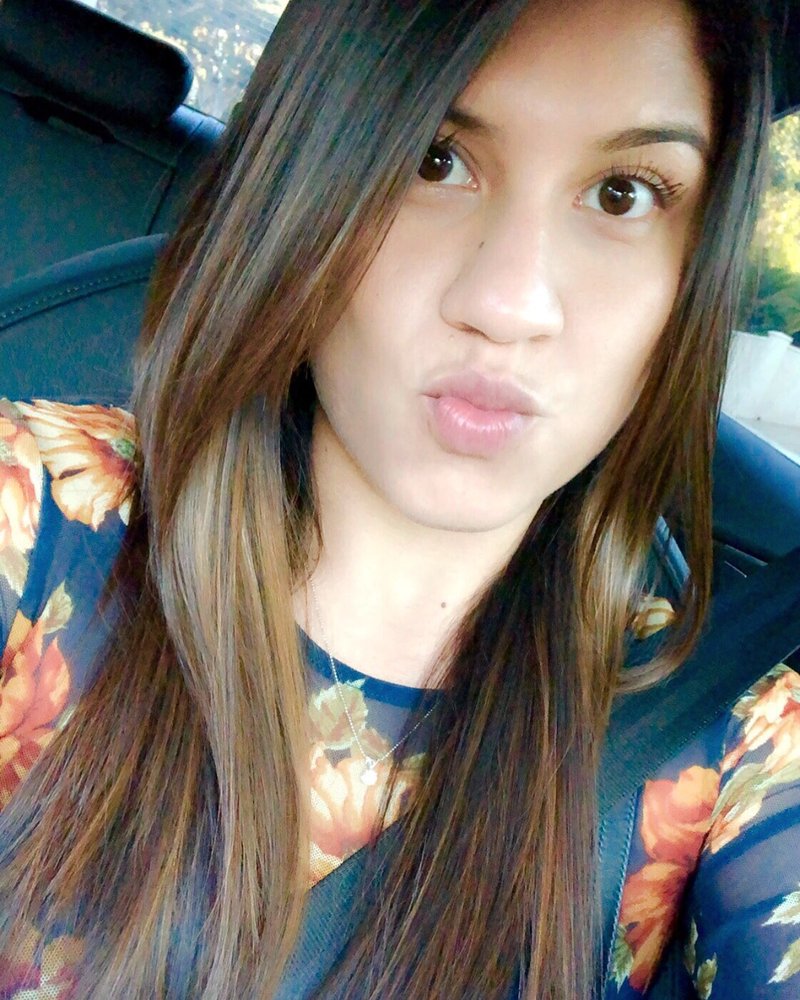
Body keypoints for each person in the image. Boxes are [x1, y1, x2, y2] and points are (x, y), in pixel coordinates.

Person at [0, 0, 797, 997]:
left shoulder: (732, 736)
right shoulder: (38, 508)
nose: (509, 304)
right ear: (306, 187)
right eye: (434, 161)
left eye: (621, 194)